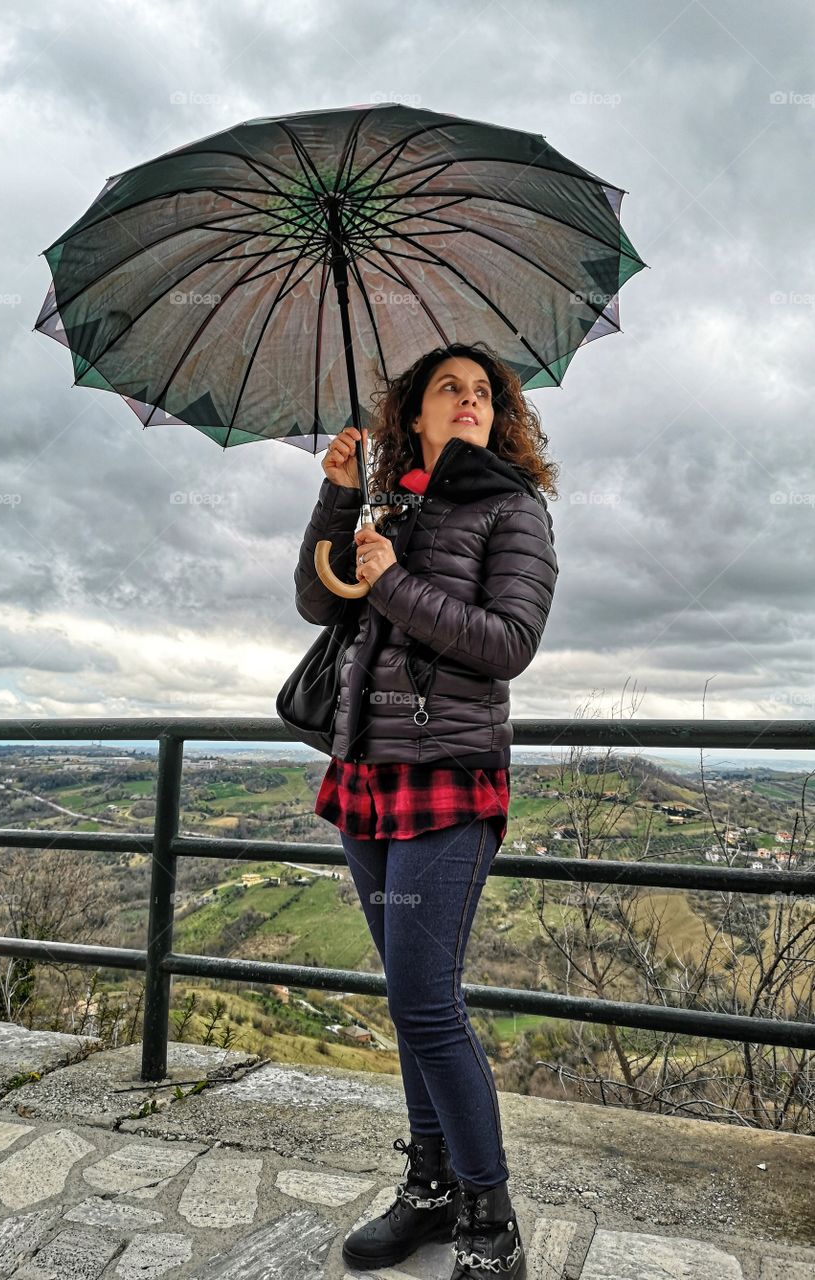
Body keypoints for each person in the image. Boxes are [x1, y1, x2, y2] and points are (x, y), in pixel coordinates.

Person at [293, 341, 559, 1278]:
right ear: (415, 412)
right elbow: (317, 604)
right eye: (449, 388)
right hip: (367, 773)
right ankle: (431, 1189)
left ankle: (491, 1217)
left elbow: (508, 642)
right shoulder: (388, 503)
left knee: (423, 1001)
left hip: (449, 776)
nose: (469, 400)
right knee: (408, 1005)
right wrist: (338, 497)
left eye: (483, 391)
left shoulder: (513, 509)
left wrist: (394, 582)